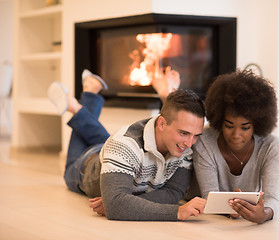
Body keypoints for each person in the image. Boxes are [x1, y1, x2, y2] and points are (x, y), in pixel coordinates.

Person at [47, 69, 206, 221]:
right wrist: (176, 212)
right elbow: (116, 206)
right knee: (69, 173)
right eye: (184, 133)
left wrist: (128, 202)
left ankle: (88, 93)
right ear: (162, 124)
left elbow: (173, 192)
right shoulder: (124, 145)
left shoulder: (184, 146)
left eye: (196, 136)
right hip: (85, 166)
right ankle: (77, 104)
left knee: (112, 144)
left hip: (116, 153)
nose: (190, 143)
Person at [192, 69, 279, 224]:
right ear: (220, 121)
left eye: (245, 128)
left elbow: (271, 199)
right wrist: (230, 211)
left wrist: (265, 214)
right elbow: (209, 195)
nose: (236, 134)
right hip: (200, 212)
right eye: (229, 126)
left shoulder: (270, 146)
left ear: (257, 125)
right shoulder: (205, 140)